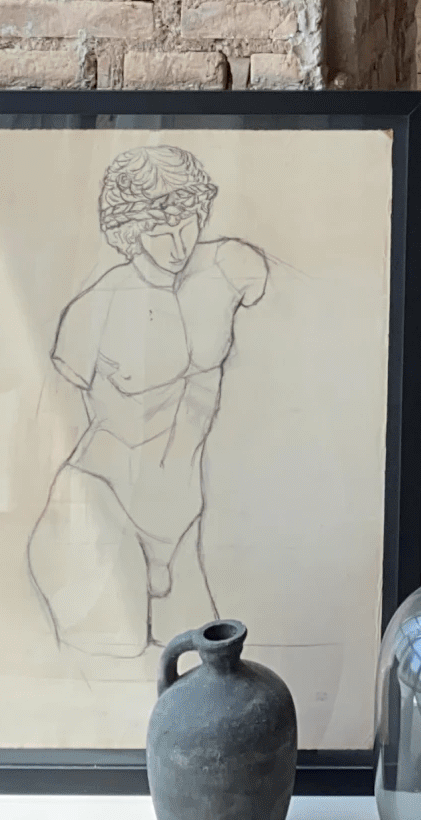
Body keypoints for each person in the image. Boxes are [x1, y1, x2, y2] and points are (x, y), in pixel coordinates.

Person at [27, 145, 270, 657]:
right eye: (159, 228)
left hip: (182, 521)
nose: (178, 240)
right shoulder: (96, 307)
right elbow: (45, 418)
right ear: (130, 229)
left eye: (187, 221)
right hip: (101, 504)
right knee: (114, 672)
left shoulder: (230, 268)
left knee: (209, 672)